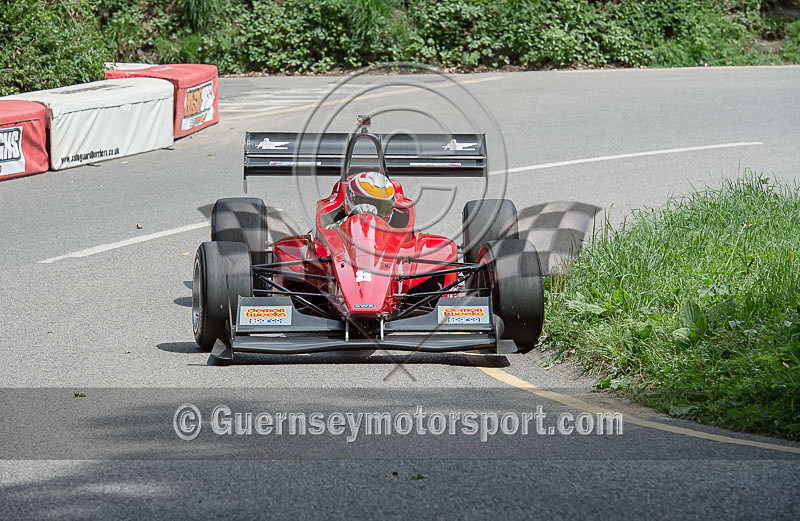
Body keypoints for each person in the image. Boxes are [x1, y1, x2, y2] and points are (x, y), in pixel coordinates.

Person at [325, 171, 395, 229]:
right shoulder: (334, 226)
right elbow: (327, 232)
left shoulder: (398, 228)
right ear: (351, 198)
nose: (370, 210)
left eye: (379, 205)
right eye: (367, 203)